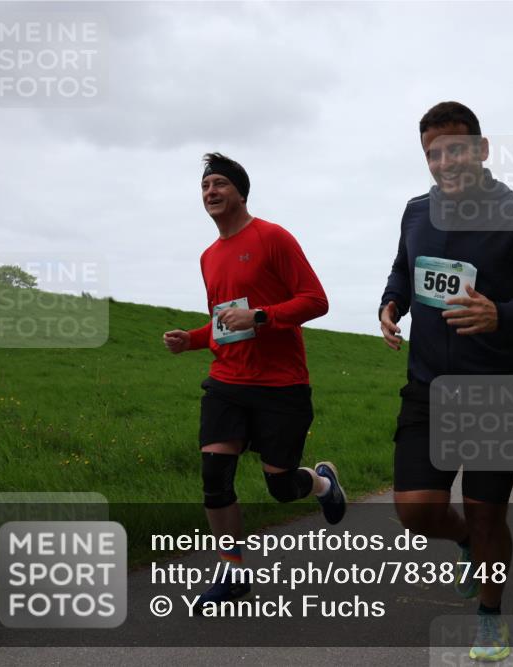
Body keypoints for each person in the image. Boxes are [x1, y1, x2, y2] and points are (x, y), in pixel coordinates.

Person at [379, 101, 513, 662]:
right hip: (428, 386)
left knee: (489, 512)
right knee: (415, 510)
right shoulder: (416, 212)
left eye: (456, 148)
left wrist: (501, 316)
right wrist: (391, 304)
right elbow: (402, 269)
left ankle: (490, 614)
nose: (444, 162)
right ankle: (461, 540)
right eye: (433, 153)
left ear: (482, 150)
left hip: (498, 386)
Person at [163, 153, 346, 611]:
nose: (210, 192)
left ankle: (322, 483)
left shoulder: (272, 237)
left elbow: (316, 301)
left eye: (219, 184)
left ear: (240, 192)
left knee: (281, 487)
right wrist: (193, 339)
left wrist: (262, 315)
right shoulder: (209, 257)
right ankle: (233, 572)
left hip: (281, 384)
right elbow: (227, 324)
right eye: (205, 187)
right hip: (226, 381)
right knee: (214, 477)